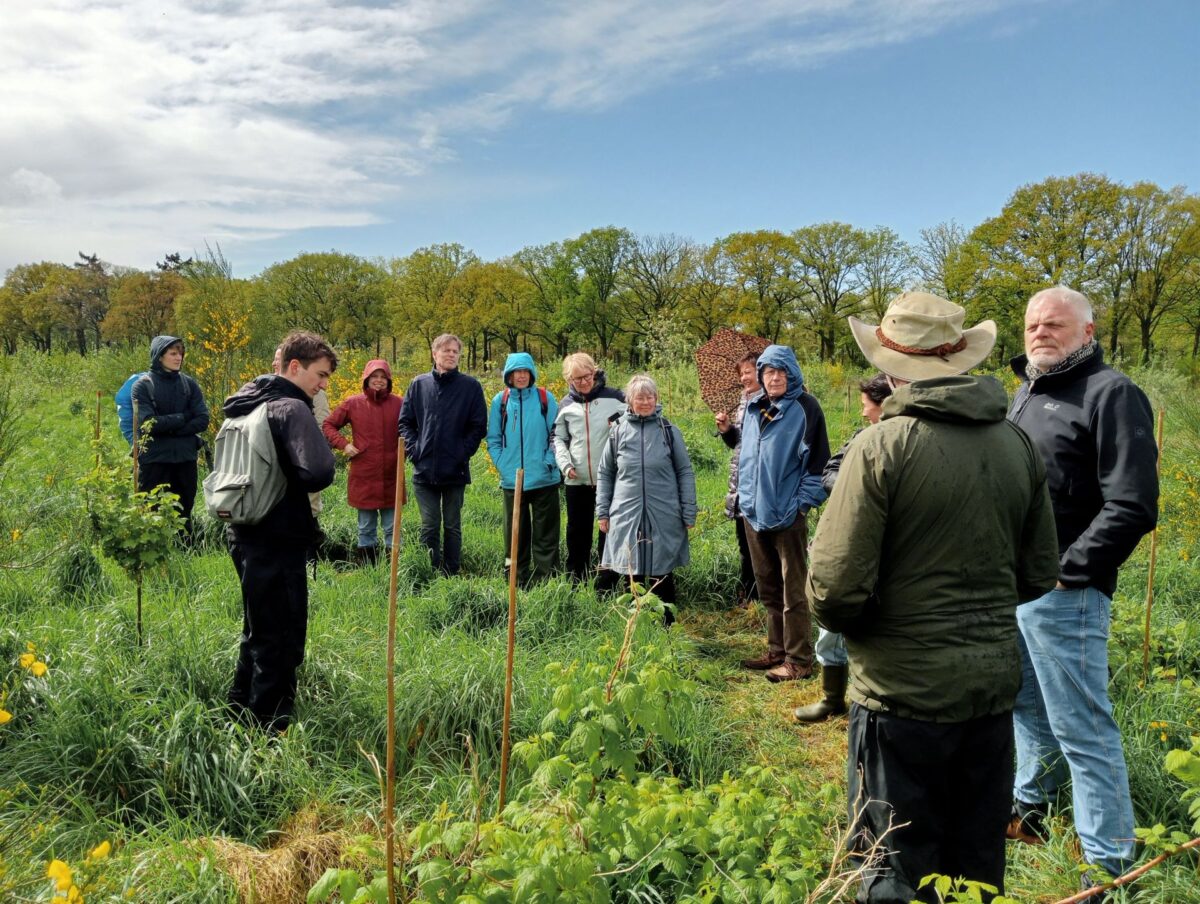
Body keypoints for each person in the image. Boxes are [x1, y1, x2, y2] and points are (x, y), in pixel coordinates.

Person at [807, 291, 1060, 904]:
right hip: (990, 691)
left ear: (894, 366)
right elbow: (1038, 573)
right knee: (975, 866)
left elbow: (834, 592)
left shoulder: (880, 446)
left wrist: (882, 628)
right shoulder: (1017, 443)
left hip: (900, 699)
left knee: (892, 867)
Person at [1006, 286, 1158, 891]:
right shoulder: (1027, 391)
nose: (1041, 332)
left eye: (1056, 324)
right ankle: (1031, 811)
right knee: (1027, 707)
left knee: (1083, 728)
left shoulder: (1111, 393)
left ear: (1088, 332)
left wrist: (1071, 570)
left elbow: (1132, 504)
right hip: (1015, 588)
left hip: (1067, 592)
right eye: (1032, 325)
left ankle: (1109, 866)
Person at [223, 331, 338, 732]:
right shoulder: (291, 407)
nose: (323, 385)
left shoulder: (246, 400)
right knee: (282, 637)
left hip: (243, 530)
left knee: (256, 627)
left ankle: (237, 712)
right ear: (294, 366)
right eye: (320, 375)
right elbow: (320, 471)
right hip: (279, 536)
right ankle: (269, 729)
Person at [794, 372, 892, 723]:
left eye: (868, 407)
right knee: (830, 621)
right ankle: (832, 697)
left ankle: (874, 704)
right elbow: (831, 469)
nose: (864, 413)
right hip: (849, 545)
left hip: (886, 554)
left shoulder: (905, 442)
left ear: (886, 405)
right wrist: (854, 483)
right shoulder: (861, 436)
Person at [736, 345, 830, 682]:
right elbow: (747, 458)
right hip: (753, 512)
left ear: (792, 374)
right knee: (768, 588)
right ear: (761, 375)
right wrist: (745, 502)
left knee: (793, 591)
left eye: (781, 371)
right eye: (768, 372)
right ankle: (776, 650)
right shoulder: (753, 407)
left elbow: (819, 467)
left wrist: (800, 506)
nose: (774, 378)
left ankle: (799, 660)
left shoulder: (806, 408)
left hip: (787, 516)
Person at [596, 374, 696, 625]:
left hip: (664, 510)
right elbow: (606, 473)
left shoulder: (669, 432)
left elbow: (684, 472)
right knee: (632, 566)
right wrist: (603, 512)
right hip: (626, 511)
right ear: (630, 400)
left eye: (650, 396)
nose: (646, 401)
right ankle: (636, 624)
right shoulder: (618, 432)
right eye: (640, 397)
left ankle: (667, 624)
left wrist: (688, 510)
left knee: (662, 566)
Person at [398, 333, 487, 576]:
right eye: (445, 350)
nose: (450, 355)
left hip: (455, 469)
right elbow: (405, 422)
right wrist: (415, 451)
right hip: (424, 470)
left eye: (455, 351)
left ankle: (451, 572)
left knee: (452, 525)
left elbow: (478, 426)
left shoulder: (470, 387)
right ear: (434, 354)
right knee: (429, 525)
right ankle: (428, 572)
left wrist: (461, 452)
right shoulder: (419, 384)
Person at [486, 352, 561, 585]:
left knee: (546, 534)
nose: (521, 376)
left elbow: (556, 436)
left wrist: (549, 462)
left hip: (544, 478)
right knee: (514, 533)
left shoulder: (545, 399)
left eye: (525, 371)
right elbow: (493, 438)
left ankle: (545, 579)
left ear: (531, 374)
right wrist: (503, 465)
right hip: (512, 480)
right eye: (516, 372)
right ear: (509, 375)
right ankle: (516, 579)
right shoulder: (501, 401)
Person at [322, 359, 405, 564]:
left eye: (383, 377)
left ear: (389, 380)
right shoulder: (353, 403)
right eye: (374, 377)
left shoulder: (399, 403)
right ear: (366, 379)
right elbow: (329, 425)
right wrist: (344, 445)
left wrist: (409, 449)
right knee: (365, 527)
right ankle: (368, 568)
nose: (378, 381)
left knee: (391, 527)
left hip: (391, 475)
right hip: (364, 474)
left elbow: (413, 428)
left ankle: (395, 569)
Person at [553, 352, 625, 584]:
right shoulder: (565, 404)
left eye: (587, 376)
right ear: (568, 380)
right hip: (577, 478)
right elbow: (558, 438)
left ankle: (607, 579)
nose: (584, 382)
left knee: (609, 529)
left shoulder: (615, 397)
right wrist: (565, 464)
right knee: (577, 531)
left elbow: (633, 423)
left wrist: (618, 423)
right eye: (577, 379)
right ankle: (576, 578)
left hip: (609, 479)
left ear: (594, 372)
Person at [132, 335, 210, 538]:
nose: (179, 358)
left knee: (185, 511)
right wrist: (182, 418)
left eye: (180, 354)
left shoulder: (189, 385)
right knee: (152, 510)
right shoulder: (143, 386)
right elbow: (148, 424)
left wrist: (170, 428)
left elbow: (202, 419)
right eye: (173, 353)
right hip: (155, 461)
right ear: (159, 356)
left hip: (185, 459)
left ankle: (186, 554)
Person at [714, 352, 762, 609]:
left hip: (757, 483)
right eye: (741, 372)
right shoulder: (744, 400)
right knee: (745, 544)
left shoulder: (768, 403)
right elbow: (739, 443)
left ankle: (763, 595)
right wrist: (727, 430)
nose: (744, 377)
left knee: (760, 545)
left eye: (749, 371)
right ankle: (750, 594)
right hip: (740, 483)